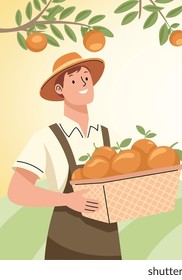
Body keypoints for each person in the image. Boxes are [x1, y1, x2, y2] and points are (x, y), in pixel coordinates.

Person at [8, 52, 122, 260]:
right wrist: (67, 200)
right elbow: (17, 191)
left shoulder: (110, 137)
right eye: (75, 80)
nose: (83, 83)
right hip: (65, 244)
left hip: (108, 243)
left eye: (86, 78)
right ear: (60, 90)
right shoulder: (46, 138)